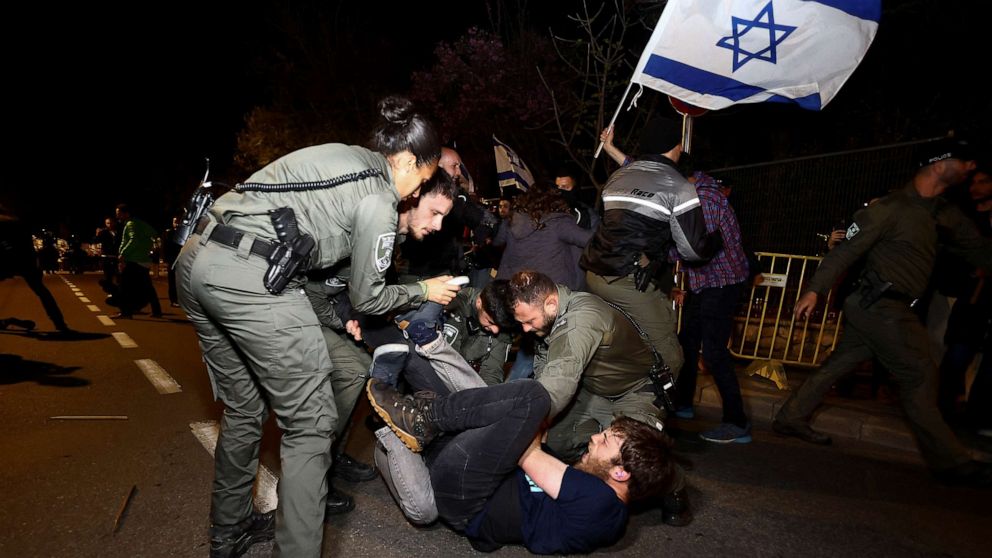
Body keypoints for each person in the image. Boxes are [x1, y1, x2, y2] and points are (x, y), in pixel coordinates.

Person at [175, 96, 459, 558]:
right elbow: (369, 297)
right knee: (311, 423)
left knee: (246, 410)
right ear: (407, 161)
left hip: (198, 260)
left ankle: (228, 531)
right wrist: (424, 292)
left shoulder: (346, 156)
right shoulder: (379, 195)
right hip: (250, 273)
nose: (412, 194)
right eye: (421, 181)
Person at [773, 137, 992, 486]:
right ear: (939, 165)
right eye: (963, 161)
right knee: (919, 373)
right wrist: (815, 289)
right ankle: (951, 461)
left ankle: (790, 416)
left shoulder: (945, 214)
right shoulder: (888, 208)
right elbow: (844, 251)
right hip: (880, 306)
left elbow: (981, 251)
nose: (972, 167)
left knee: (840, 362)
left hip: (883, 308)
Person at [367, 377, 678, 554]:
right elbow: (533, 449)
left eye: (606, 441)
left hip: (468, 499)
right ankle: (419, 406)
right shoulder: (594, 496)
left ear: (620, 473)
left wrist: (531, 430)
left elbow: (525, 452)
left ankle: (425, 416)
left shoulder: (601, 504)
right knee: (479, 401)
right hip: (477, 483)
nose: (595, 438)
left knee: (532, 399)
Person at [304, 171, 463, 512]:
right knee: (348, 372)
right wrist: (345, 320)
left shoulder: (396, 236)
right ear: (412, 196)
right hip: (299, 304)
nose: (437, 226)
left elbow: (364, 287)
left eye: (443, 218)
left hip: (337, 303)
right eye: (434, 213)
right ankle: (314, 479)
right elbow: (325, 292)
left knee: (377, 361)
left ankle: (334, 458)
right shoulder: (374, 223)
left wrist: (362, 315)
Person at [500, 270, 691, 526]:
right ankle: (595, 463)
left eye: (528, 321)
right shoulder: (549, 318)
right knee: (557, 440)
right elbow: (546, 369)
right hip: (594, 391)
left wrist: (530, 424)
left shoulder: (581, 319)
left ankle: (673, 481)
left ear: (551, 303)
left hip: (635, 391)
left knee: (631, 459)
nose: (525, 329)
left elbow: (559, 382)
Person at [582, 116, 723, 381]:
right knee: (670, 356)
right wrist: (715, 241)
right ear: (677, 146)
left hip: (593, 272)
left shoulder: (619, 176)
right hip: (627, 277)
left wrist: (610, 147)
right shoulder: (679, 186)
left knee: (614, 345)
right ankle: (643, 415)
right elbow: (692, 250)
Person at [670, 172, 753, 444]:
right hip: (705, 284)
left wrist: (661, 250)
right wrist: (611, 148)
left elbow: (696, 248)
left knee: (715, 351)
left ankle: (736, 422)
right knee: (688, 342)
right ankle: (683, 403)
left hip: (722, 283)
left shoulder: (705, 199)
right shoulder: (693, 194)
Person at [0, 205, 70, 333]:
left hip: (7, 261)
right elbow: (29, 244)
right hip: (27, 260)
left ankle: (5, 322)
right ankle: (59, 322)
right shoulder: (16, 220)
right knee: (41, 291)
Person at [114, 204, 163, 319]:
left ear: (126, 214)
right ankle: (157, 311)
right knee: (147, 286)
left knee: (124, 286)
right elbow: (152, 234)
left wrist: (123, 253)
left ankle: (126, 312)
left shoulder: (131, 224)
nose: (117, 216)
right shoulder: (140, 224)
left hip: (134, 259)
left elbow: (133, 240)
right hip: (143, 259)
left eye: (119, 213)